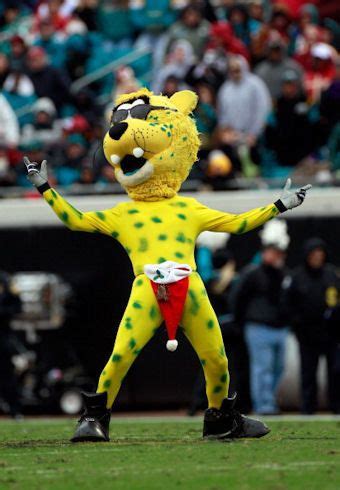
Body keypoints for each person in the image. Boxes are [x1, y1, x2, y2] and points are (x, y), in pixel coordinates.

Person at [24, 88, 311, 442]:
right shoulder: (123, 213)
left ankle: (221, 419)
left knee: (216, 359)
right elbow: (77, 220)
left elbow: (238, 223)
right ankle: (94, 418)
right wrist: (45, 189)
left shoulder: (188, 208)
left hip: (189, 286)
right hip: (148, 285)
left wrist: (279, 206)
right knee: (122, 354)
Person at [231, 221, 290, 414]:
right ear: (264, 253)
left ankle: (270, 401)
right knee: (261, 368)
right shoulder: (252, 273)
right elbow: (237, 298)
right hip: (258, 327)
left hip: (280, 327)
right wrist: (241, 321)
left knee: (278, 368)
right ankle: (263, 405)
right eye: (272, 252)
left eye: (278, 252)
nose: (275, 256)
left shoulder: (284, 275)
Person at [285, 238, 340, 414]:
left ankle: (336, 407)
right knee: (308, 373)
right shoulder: (296, 276)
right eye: (313, 254)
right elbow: (288, 303)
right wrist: (297, 324)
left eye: (320, 254)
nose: (317, 258)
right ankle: (308, 409)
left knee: (335, 372)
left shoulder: (331, 274)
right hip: (307, 334)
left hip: (331, 334)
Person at [216, 55, 271, 173]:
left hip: (255, 136)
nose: (235, 71)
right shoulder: (225, 89)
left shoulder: (256, 85)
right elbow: (222, 114)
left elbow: (263, 109)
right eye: (232, 69)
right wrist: (227, 132)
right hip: (234, 136)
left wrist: (254, 133)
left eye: (237, 68)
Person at [0, 272, 22, 418]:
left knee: (7, 375)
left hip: (3, 336)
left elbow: (17, 307)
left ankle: (15, 410)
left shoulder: (5, 279)